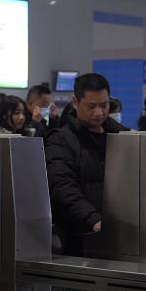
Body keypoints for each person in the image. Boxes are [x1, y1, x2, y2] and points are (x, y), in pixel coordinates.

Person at [45, 73, 121, 255]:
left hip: (117, 233)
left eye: (104, 105)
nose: (99, 112)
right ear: (75, 102)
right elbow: (62, 186)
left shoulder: (120, 136)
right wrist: (93, 219)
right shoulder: (61, 140)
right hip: (78, 238)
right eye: (91, 106)